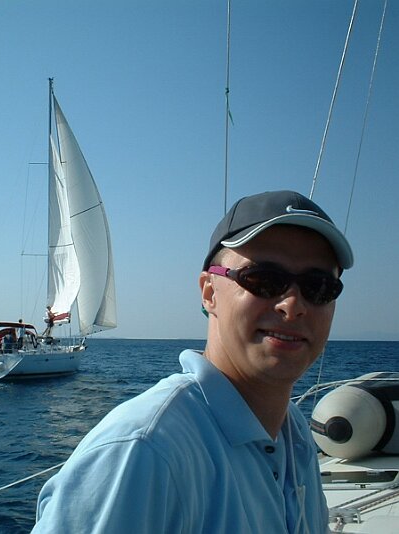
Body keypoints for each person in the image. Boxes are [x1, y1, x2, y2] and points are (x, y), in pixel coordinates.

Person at [31, 190, 354, 534]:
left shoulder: (294, 432)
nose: (293, 305)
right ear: (209, 293)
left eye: (319, 287)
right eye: (264, 279)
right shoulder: (145, 452)